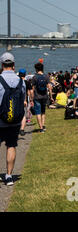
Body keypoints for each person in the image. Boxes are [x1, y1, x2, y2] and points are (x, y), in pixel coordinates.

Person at [0, 52, 26, 186]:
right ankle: (9, 176)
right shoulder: (21, 82)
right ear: (13, 65)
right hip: (15, 120)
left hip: (0, 120)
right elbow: (23, 101)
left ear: (2, 64)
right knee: (11, 146)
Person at [30, 62, 52, 133]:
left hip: (37, 97)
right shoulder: (46, 76)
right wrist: (51, 96)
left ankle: (41, 128)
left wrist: (31, 99)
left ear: (36, 69)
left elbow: (32, 89)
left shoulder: (34, 77)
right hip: (44, 96)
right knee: (43, 112)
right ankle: (43, 125)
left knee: (38, 113)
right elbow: (49, 87)